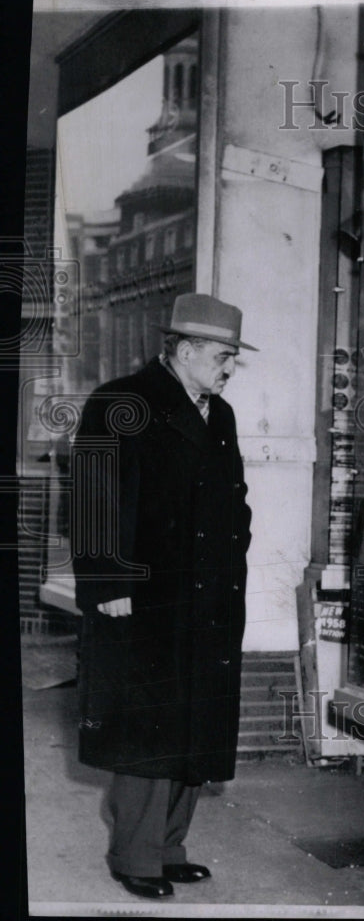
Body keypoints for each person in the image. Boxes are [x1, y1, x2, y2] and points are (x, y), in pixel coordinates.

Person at [71, 293, 256, 899]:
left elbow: (236, 503)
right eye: (222, 356)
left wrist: (235, 562)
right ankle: (135, 856)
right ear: (182, 350)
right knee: (147, 730)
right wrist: (109, 584)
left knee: (195, 725)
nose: (228, 368)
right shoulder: (122, 401)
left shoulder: (218, 414)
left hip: (207, 596)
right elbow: (96, 502)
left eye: (232, 357)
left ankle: (170, 847)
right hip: (144, 595)